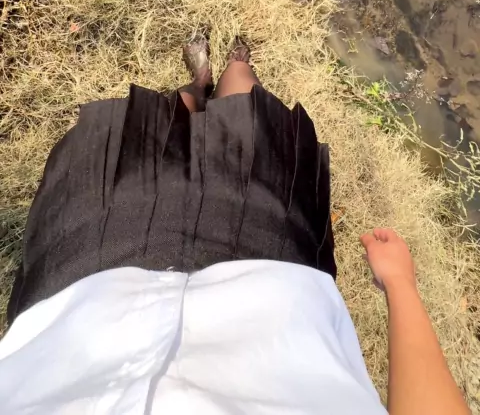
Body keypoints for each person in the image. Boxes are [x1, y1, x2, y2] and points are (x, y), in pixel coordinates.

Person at [0, 36, 470, 415]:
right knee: (247, 110)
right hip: (275, 280)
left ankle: (197, 85)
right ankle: (233, 67)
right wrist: (400, 285)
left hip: (83, 285)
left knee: (158, 137)